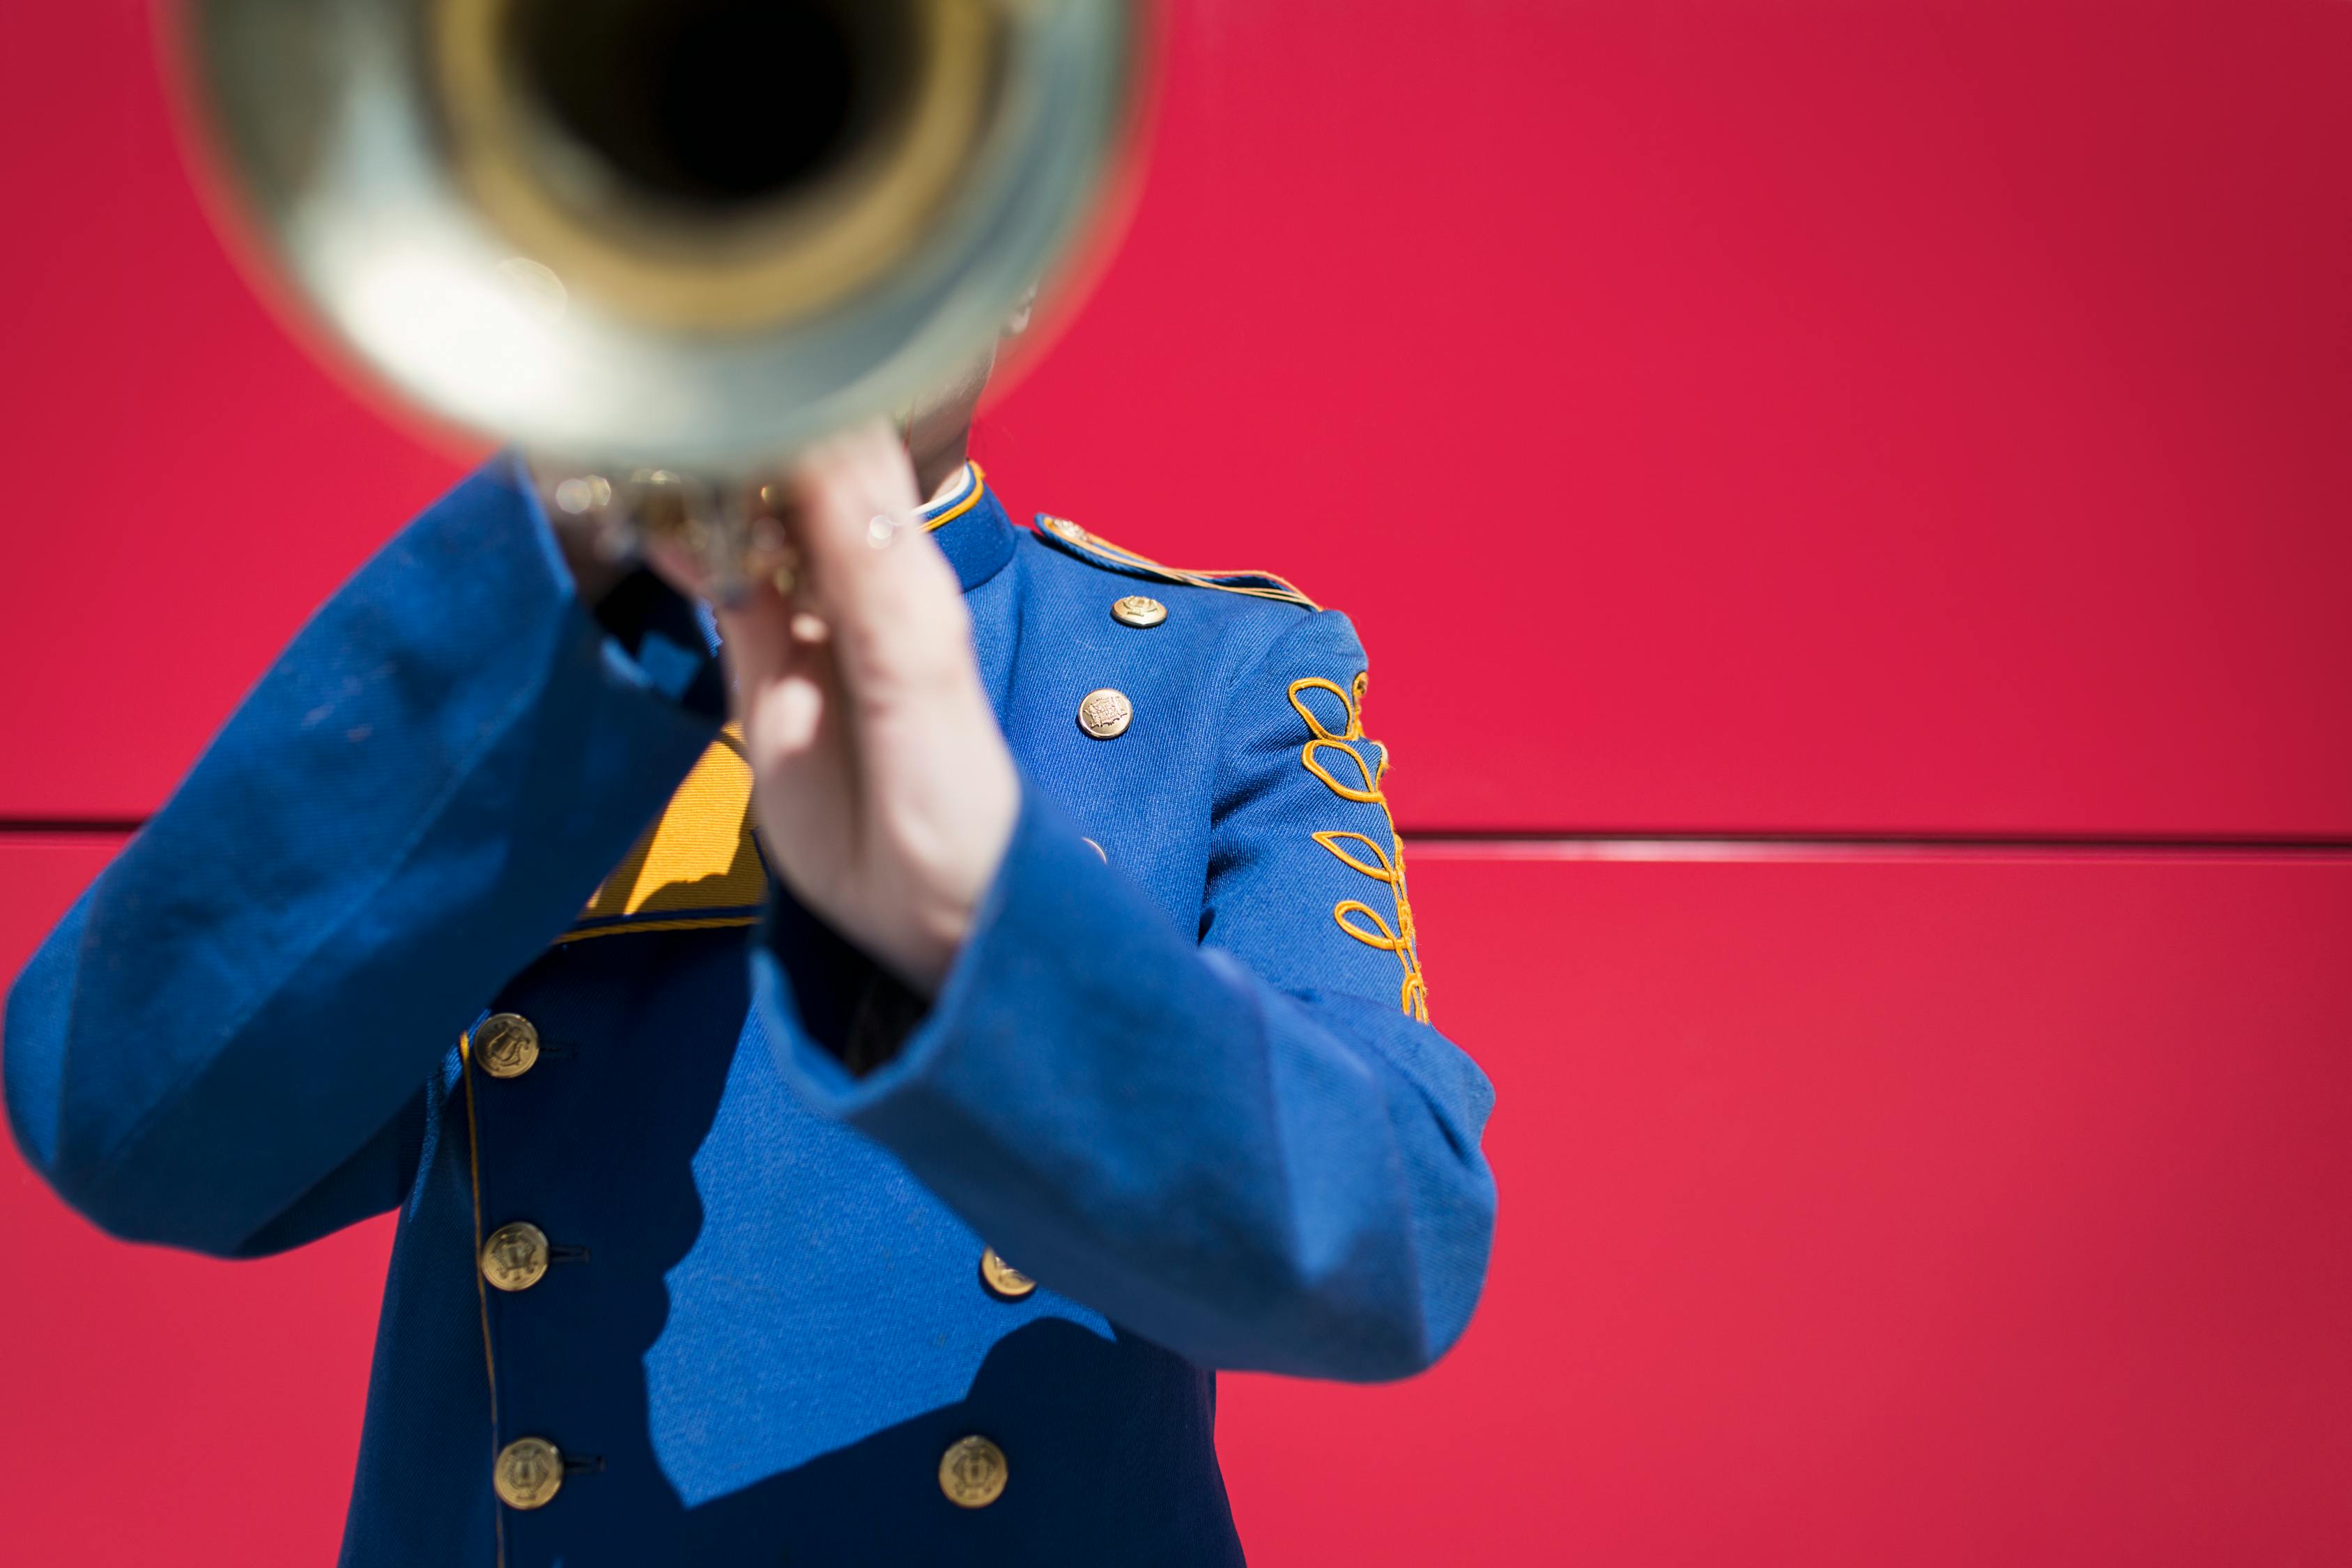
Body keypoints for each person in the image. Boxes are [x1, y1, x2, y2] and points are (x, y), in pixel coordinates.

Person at [2, 319, 1497, 1565]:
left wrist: (967, 910)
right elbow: (130, 1119)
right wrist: (585, 549)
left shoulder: (1214, 680)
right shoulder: (506, 665)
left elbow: (1388, 1246)